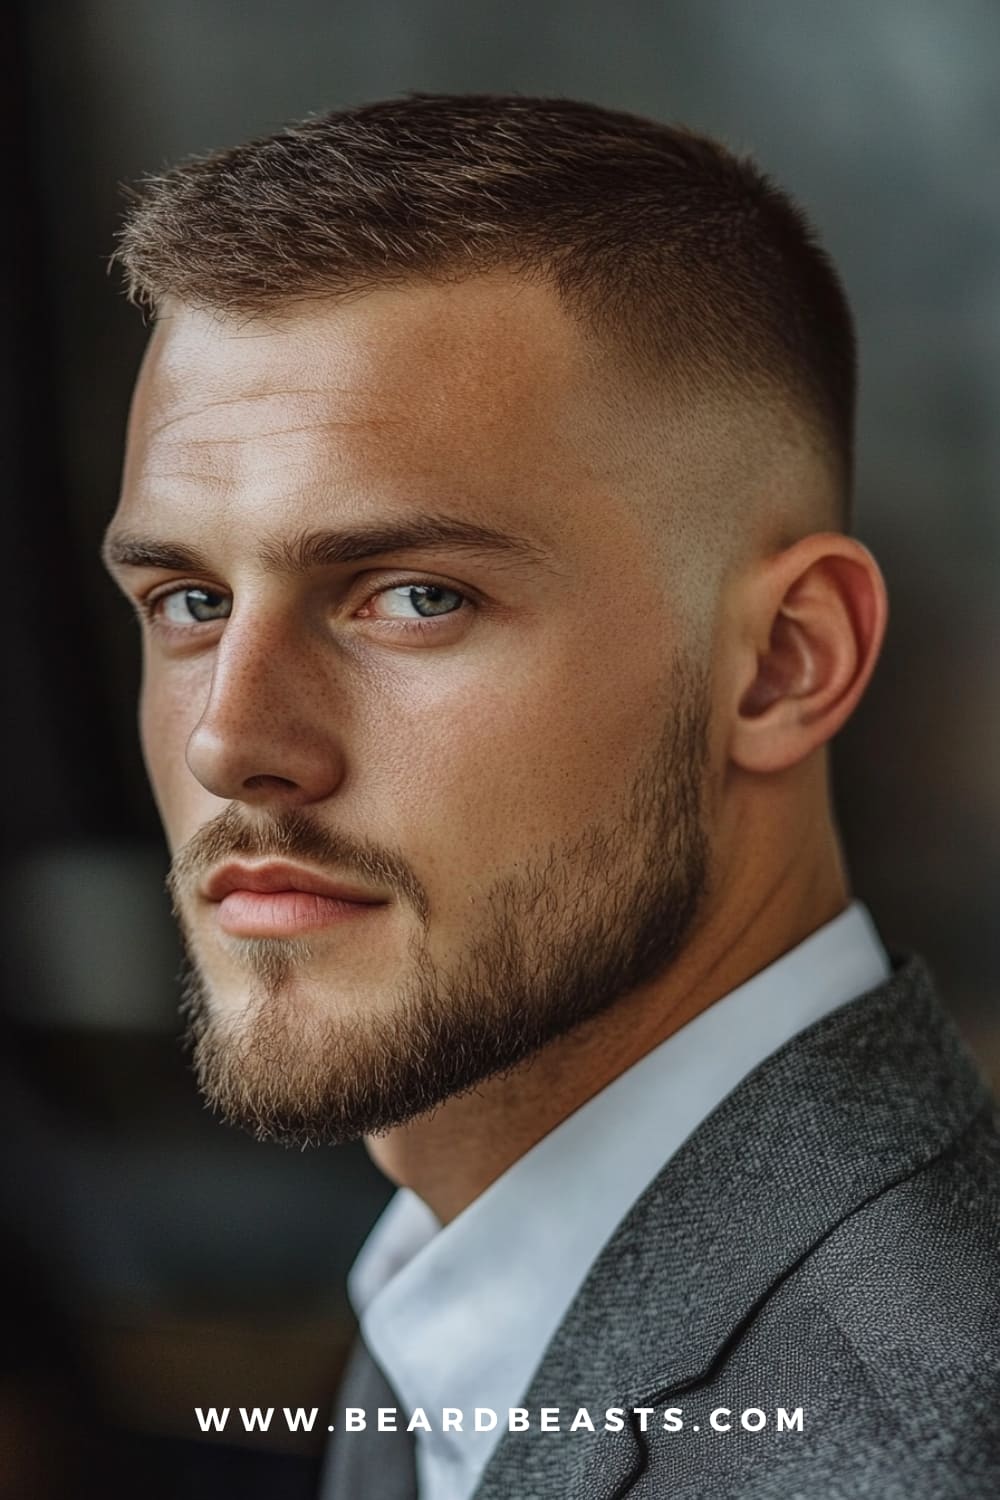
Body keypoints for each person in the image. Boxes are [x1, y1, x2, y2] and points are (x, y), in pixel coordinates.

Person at [102, 94, 999, 1499]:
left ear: (782, 664)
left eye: (413, 597)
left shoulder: (908, 1441)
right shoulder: (461, 1301)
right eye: (192, 600)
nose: (232, 741)